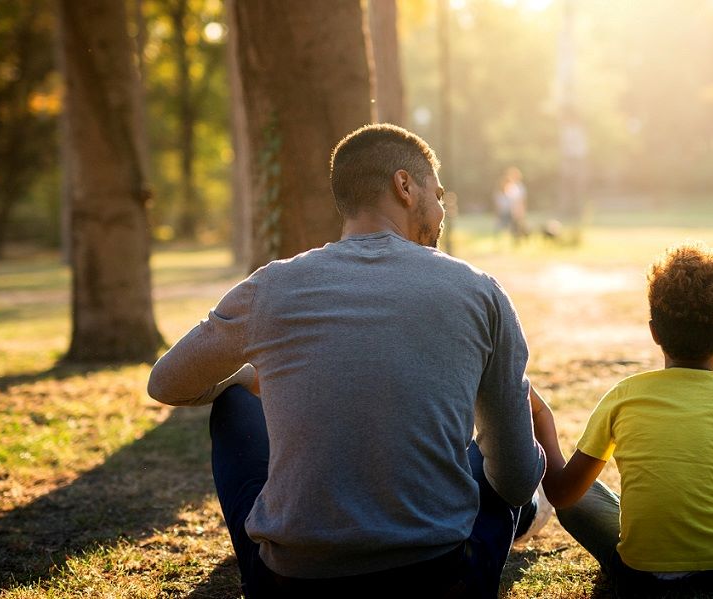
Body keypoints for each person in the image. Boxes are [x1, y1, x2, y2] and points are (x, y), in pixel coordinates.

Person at [147, 124, 547, 598]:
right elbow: (516, 480)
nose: (441, 212)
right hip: (440, 580)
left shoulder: (270, 287)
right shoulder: (479, 290)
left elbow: (165, 383)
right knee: (495, 457)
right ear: (405, 185)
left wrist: (253, 375)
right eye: (438, 195)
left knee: (233, 404)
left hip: (292, 584)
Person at [529, 242, 713, 597]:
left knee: (582, 495)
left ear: (654, 331)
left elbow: (563, 495)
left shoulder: (622, 395)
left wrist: (542, 418)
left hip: (639, 580)